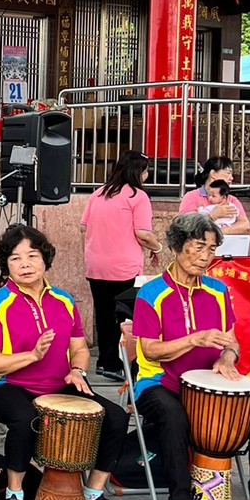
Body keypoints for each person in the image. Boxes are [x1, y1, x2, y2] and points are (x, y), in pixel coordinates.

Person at [132, 213, 250, 500]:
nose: (206, 255)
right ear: (177, 247)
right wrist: (195, 339)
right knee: (173, 417)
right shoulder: (152, 294)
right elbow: (150, 351)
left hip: (210, 385)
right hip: (161, 384)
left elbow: (231, 341)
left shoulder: (220, 292)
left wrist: (226, 357)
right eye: (198, 247)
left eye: (211, 248)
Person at [0, 225, 130, 500]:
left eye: (32, 255)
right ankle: (14, 495)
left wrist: (78, 371)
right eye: (16, 258)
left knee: (115, 417)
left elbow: (79, 348)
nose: (25, 264)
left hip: (59, 384)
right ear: (7, 266)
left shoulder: (63, 300)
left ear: (45, 260)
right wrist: (31, 356)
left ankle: (94, 494)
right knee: (25, 419)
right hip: (5, 385)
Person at [80, 150, 163, 381]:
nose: (147, 175)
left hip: (96, 265)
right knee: (127, 317)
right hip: (124, 266)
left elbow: (83, 227)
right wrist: (157, 248)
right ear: (138, 171)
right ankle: (123, 363)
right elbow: (143, 234)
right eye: (146, 171)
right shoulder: (138, 197)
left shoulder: (98, 194)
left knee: (104, 314)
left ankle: (105, 362)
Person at [179, 156, 250, 236]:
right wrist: (212, 216)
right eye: (228, 173)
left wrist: (218, 233)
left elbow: (245, 225)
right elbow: (188, 225)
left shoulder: (231, 199)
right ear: (213, 174)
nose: (232, 178)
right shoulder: (191, 197)